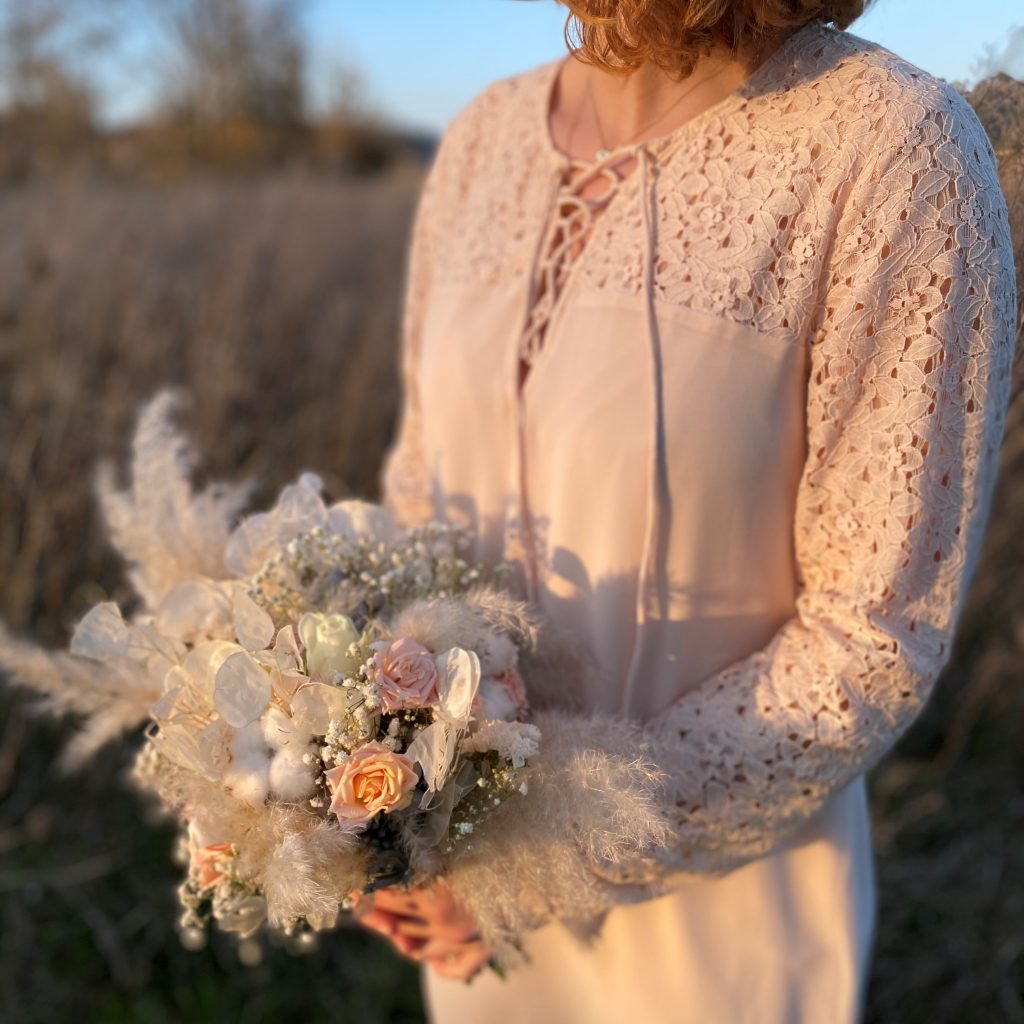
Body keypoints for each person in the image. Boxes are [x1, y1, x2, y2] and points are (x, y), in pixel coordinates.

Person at [353, 1, 1019, 1022]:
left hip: (719, 940)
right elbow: (418, 492)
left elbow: (871, 636)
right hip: (464, 918)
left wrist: (531, 870)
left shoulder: (893, 145)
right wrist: (390, 794)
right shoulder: (484, 136)